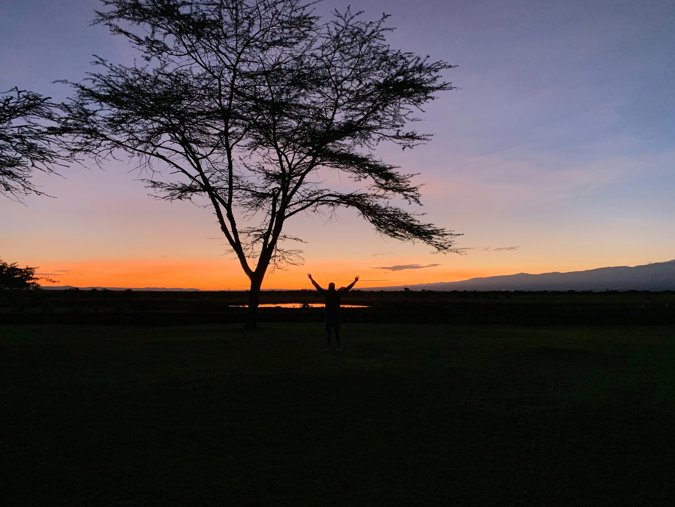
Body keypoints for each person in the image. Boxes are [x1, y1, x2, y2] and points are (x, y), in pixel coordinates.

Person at [307, 273, 359, 351]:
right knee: (335, 331)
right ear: (334, 287)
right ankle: (337, 347)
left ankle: (330, 347)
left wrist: (311, 278)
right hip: (334, 314)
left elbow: (317, 287)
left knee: (330, 331)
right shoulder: (338, 293)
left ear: (329, 287)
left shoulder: (327, 293)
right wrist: (355, 282)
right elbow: (348, 288)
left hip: (330, 314)